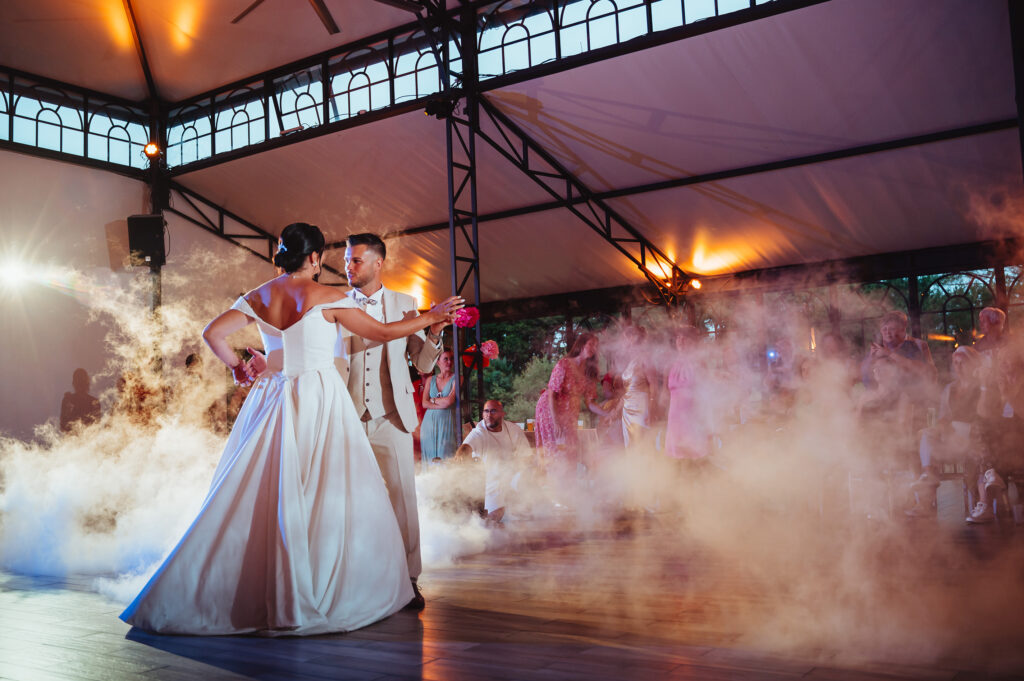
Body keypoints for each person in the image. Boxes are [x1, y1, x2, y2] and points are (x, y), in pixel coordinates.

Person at [119, 223, 462, 635]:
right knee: (325, 493)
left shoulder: (260, 295)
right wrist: (433, 316)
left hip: (274, 399)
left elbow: (213, 333)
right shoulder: (330, 296)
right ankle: (317, 584)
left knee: (271, 492)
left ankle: (250, 587)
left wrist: (237, 368)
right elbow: (384, 332)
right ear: (316, 258)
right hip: (320, 398)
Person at [338, 232, 447, 610]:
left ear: (378, 263)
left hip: (393, 416)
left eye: (355, 260)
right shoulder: (335, 304)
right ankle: (355, 578)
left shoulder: (406, 304)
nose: (347, 267)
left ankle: (409, 580)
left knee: (403, 499)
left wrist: (433, 331)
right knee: (347, 501)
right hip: (347, 418)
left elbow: (422, 363)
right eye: (346, 260)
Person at [905, 346, 983, 517]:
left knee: (959, 429)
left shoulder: (980, 387)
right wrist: (943, 428)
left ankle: (930, 482)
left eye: (962, 363)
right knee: (925, 434)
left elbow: (983, 416)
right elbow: (943, 417)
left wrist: (953, 428)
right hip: (951, 437)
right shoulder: (950, 389)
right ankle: (927, 483)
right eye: (956, 363)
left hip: (973, 436)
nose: (959, 367)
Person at [534, 332, 608, 473]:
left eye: (596, 346)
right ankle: (555, 485)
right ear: (581, 345)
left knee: (570, 450)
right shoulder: (564, 364)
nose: (593, 348)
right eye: (591, 344)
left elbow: (590, 402)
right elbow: (551, 394)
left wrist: (607, 413)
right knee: (557, 450)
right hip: (550, 411)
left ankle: (568, 487)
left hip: (569, 413)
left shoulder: (589, 372)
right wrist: (556, 422)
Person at [462, 400, 532, 523]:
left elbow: (527, 456)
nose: (489, 415)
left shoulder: (513, 429)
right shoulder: (479, 431)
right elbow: (465, 448)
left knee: (527, 481)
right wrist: (460, 456)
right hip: (489, 482)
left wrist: (518, 475)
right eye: (486, 411)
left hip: (511, 477)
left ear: (502, 414)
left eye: (493, 411)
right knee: (494, 519)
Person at [665, 326, 713, 461]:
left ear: (693, 341)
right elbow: (668, 390)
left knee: (694, 452)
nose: (680, 340)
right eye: (678, 337)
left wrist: (706, 419)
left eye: (685, 337)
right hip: (675, 412)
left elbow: (706, 391)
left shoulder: (699, 361)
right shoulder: (673, 363)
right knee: (678, 454)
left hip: (692, 412)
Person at [420, 349, 459, 461]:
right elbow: (424, 403)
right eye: (445, 359)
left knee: (446, 456)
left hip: (447, 423)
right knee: (429, 458)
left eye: (451, 359)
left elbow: (449, 402)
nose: (449, 362)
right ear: (438, 362)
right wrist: (441, 402)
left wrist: (432, 400)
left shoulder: (457, 378)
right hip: (429, 424)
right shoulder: (430, 380)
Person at [60, 368, 101, 432]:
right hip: (74, 439)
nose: (80, 383)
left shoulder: (94, 402)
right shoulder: (68, 400)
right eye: (78, 380)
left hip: (88, 438)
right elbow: (63, 425)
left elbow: (96, 426)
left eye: (82, 380)